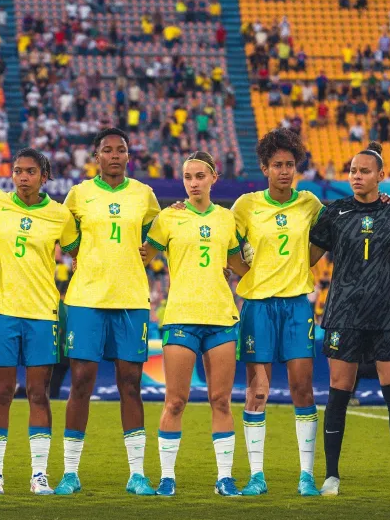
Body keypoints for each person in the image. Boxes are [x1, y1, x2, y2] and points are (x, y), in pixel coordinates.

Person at [55, 128, 161, 497]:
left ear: (129, 156)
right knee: (81, 380)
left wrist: (151, 252)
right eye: (107, 150)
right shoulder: (78, 194)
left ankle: (137, 474)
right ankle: (70, 472)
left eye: (121, 150)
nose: (114, 155)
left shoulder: (144, 195)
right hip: (86, 299)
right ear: (96, 156)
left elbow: (159, 235)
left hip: (131, 299)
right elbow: (67, 239)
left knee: (130, 384)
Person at [309, 142, 390, 497]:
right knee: (338, 393)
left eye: (364, 171)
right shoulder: (334, 212)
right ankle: (331, 476)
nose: (357, 176)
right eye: (353, 170)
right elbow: (306, 257)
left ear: (380, 177)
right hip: (343, 314)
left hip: (387, 315)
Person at [140, 152, 248, 497]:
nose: (193, 183)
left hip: (220, 317)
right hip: (182, 317)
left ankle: (225, 478)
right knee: (175, 401)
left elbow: (240, 267)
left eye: (200, 176)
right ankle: (167, 477)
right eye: (188, 177)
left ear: (213, 178)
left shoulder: (227, 219)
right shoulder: (169, 219)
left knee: (221, 400)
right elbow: (142, 255)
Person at [0, 149, 79, 494]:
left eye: (30, 172)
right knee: (1, 391)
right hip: (2, 309)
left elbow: (83, 249)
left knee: (38, 393)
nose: (22, 177)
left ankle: (39, 474)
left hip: (41, 312)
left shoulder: (59, 214)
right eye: (18, 171)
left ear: (43, 176)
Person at [229, 129, 323, 497]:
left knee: (302, 388)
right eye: (277, 165)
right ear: (265, 168)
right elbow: (225, 245)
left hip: (297, 305)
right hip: (258, 307)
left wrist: (304, 265)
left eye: (290, 165)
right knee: (259, 391)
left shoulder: (310, 204)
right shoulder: (246, 205)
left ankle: (306, 475)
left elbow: (325, 241)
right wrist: (246, 272)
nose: (285, 171)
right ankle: (257, 475)